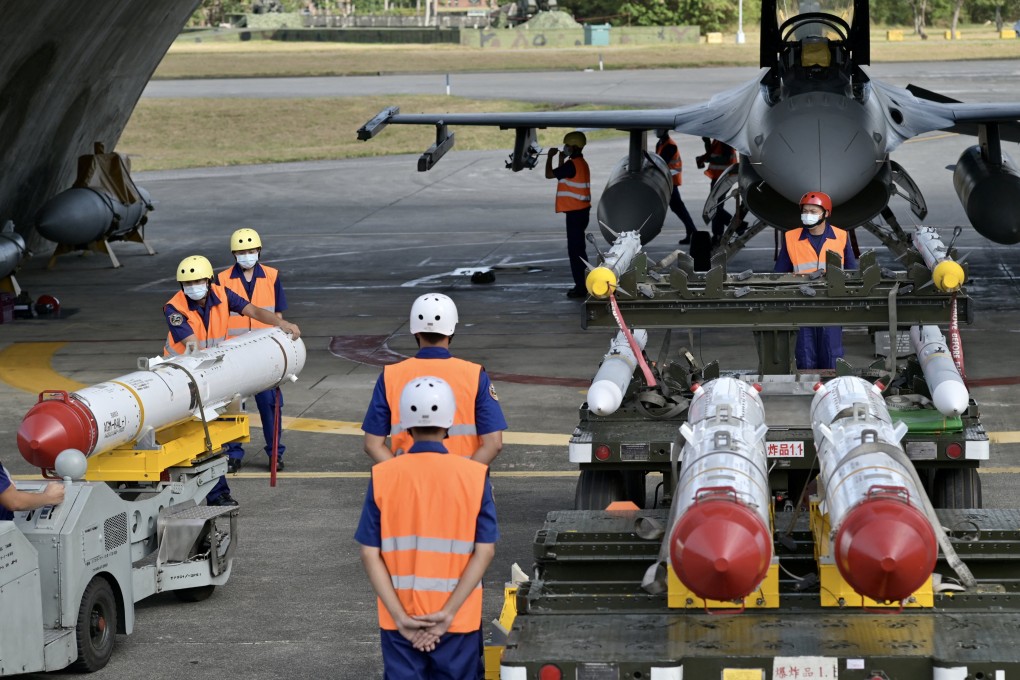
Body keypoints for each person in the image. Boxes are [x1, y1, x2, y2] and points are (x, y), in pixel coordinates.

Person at [355, 376, 498, 680]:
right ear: (449, 422)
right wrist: (445, 616)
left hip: (400, 622)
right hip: (458, 621)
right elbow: (485, 551)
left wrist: (401, 618)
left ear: (405, 424)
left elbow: (369, 553)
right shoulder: (474, 477)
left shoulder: (384, 475)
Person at [164, 254, 301, 506]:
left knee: (210, 439)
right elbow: (191, 343)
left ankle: (217, 495)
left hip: (209, 375)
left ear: (208, 280)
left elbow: (254, 310)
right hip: (181, 377)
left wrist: (282, 323)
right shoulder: (174, 307)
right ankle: (206, 495)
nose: (192, 287)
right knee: (201, 439)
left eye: (197, 281)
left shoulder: (222, 294)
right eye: (186, 283)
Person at [362, 293, 506, 465]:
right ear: (451, 329)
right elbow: (494, 444)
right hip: (463, 486)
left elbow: (372, 444)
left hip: (410, 486)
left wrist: (399, 474)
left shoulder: (391, 375)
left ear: (415, 330)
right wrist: (467, 477)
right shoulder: (474, 375)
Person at [217, 228, 290, 473]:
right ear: (233, 254)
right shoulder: (222, 279)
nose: (246, 255)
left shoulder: (272, 275)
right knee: (233, 406)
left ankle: (275, 453)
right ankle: (233, 454)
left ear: (259, 251)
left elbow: (278, 315)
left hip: (264, 353)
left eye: (250, 251)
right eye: (241, 252)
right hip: (234, 353)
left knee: (270, 404)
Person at [774, 191, 858, 370]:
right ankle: (810, 392)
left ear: (825, 214)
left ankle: (830, 389)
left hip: (831, 304)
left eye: (813, 211)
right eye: (805, 211)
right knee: (805, 354)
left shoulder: (841, 236)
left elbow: (852, 272)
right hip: (802, 305)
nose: (807, 215)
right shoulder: (792, 238)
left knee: (831, 353)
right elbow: (779, 274)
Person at [545, 130, 591, 299]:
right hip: (581, 211)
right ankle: (583, 283)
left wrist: (549, 157)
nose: (564, 147)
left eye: (567, 145)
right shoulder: (579, 163)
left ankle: (581, 287)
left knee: (575, 252)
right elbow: (562, 174)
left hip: (575, 214)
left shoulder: (572, 165)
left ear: (573, 147)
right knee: (579, 250)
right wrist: (561, 158)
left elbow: (549, 174)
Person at [655, 130, 698, 244]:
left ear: (664, 130)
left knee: (678, 207)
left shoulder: (670, 145)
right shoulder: (660, 143)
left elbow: (661, 162)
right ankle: (692, 231)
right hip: (666, 181)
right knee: (677, 207)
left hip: (671, 181)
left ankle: (693, 232)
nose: (656, 131)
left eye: (658, 129)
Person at [696, 137, 739, 246]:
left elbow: (725, 159)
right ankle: (717, 235)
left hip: (724, 178)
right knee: (716, 206)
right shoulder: (718, 139)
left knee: (715, 207)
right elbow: (713, 153)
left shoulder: (725, 140)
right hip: (719, 177)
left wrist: (708, 159)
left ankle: (738, 226)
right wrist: (706, 143)